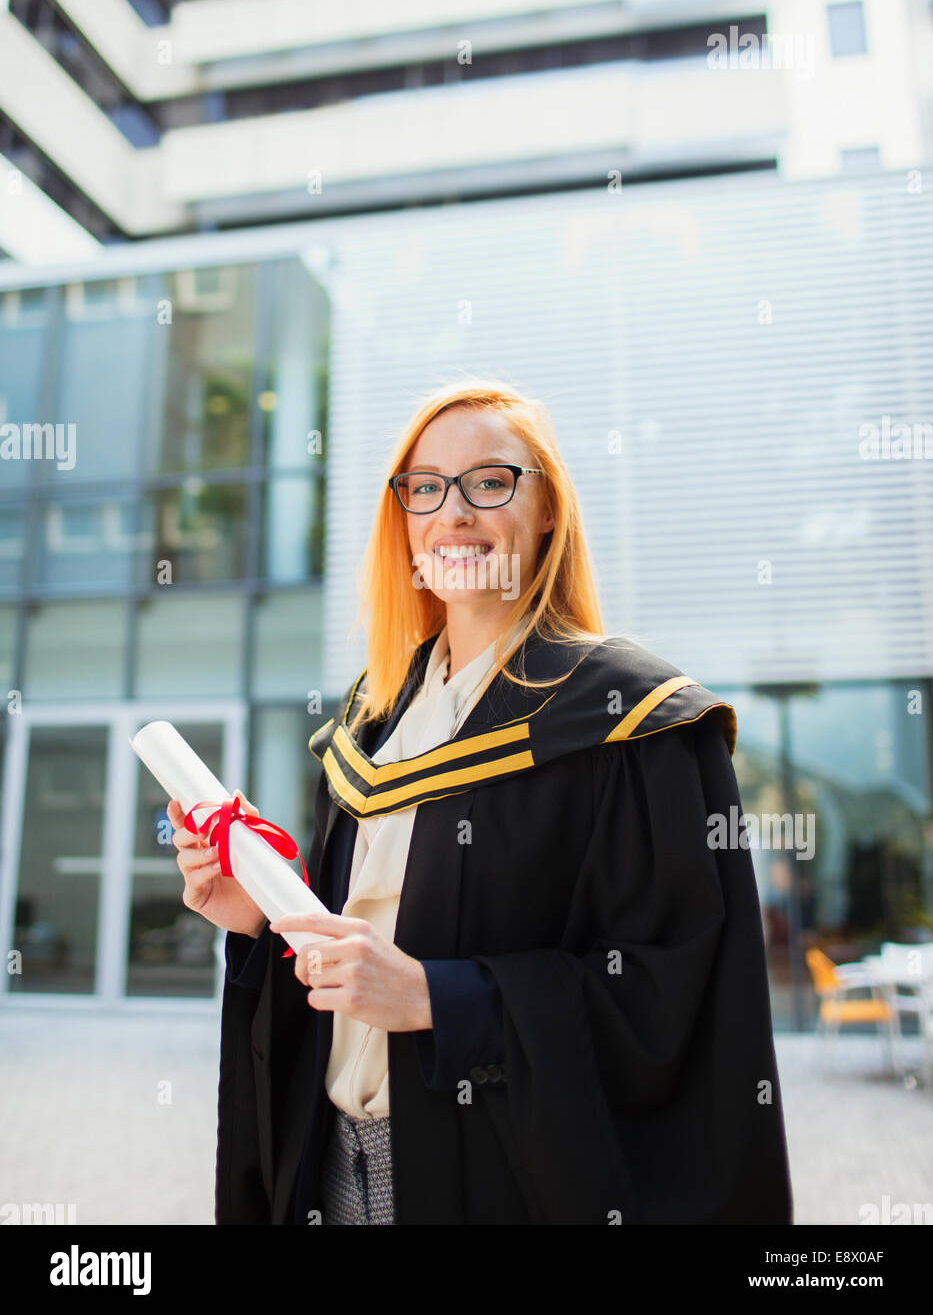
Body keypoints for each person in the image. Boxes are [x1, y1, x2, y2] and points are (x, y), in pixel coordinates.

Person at [172, 377, 793, 1226]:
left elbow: (670, 996)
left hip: (503, 1180)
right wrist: (259, 920)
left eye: (489, 481)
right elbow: (341, 970)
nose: (452, 512)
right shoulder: (370, 724)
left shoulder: (629, 720)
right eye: (423, 487)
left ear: (546, 510)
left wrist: (440, 997)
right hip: (328, 1165)